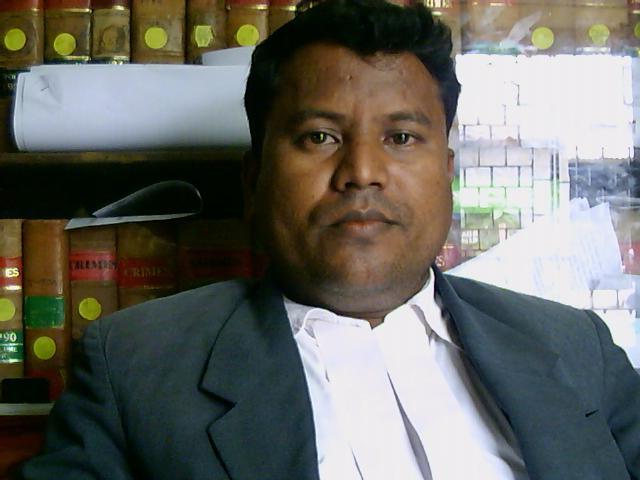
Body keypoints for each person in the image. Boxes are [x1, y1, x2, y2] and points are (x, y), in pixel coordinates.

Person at [21, 0, 640, 478]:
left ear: (447, 173)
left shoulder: (575, 347)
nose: (361, 171)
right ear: (254, 180)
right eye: (320, 137)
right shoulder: (137, 367)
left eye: (401, 138)